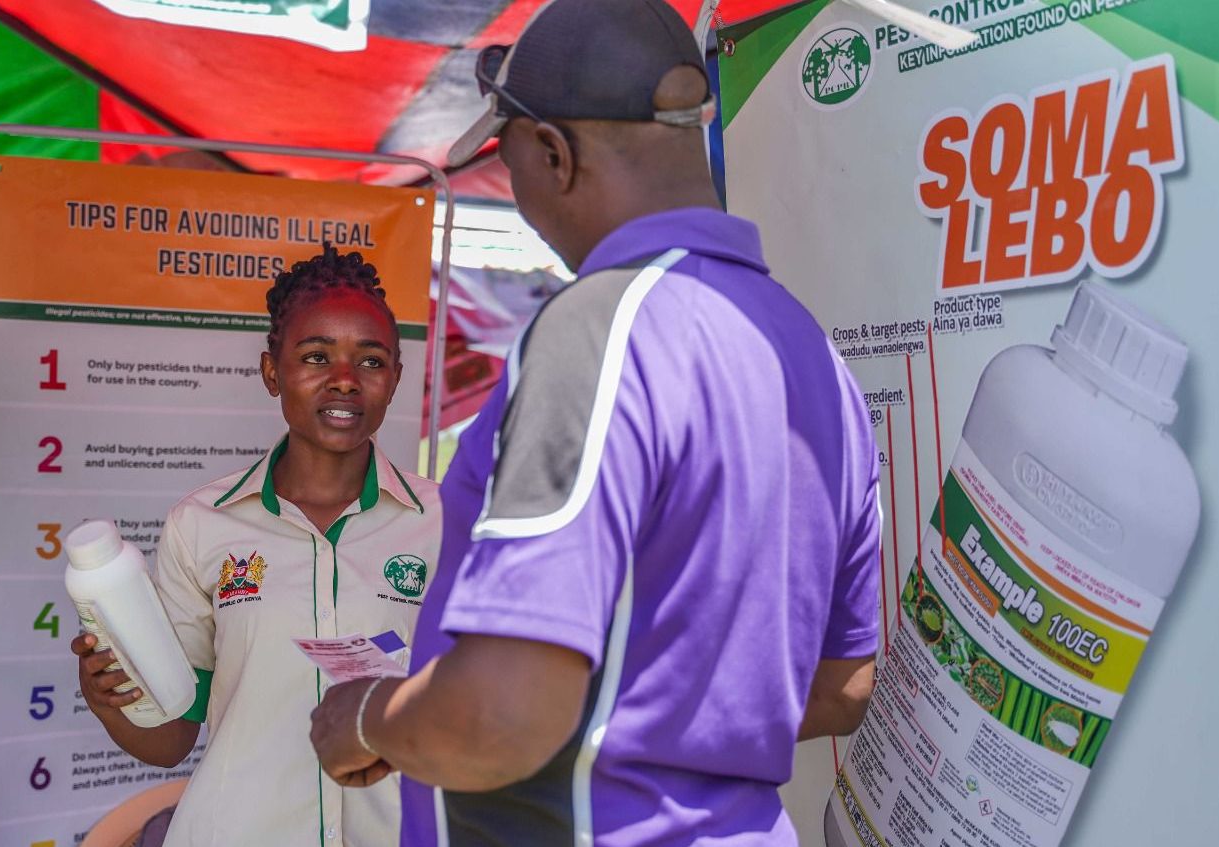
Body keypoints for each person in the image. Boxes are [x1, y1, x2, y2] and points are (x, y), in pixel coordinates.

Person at [308, 2, 883, 844]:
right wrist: (639, 720)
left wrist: (371, 718)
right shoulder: (817, 363)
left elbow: (503, 714)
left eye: (510, 168)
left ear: (553, 153)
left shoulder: (599, 327)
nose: (527, 204)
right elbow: (841, 685)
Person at [73, 244, 442, 845]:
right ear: (273, 372)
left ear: (396, 378)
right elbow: (170, 740)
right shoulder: (202, 525)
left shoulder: (442, 521)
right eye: (316, 356)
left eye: (370, 361)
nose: (344, 379)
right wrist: (109, 697)